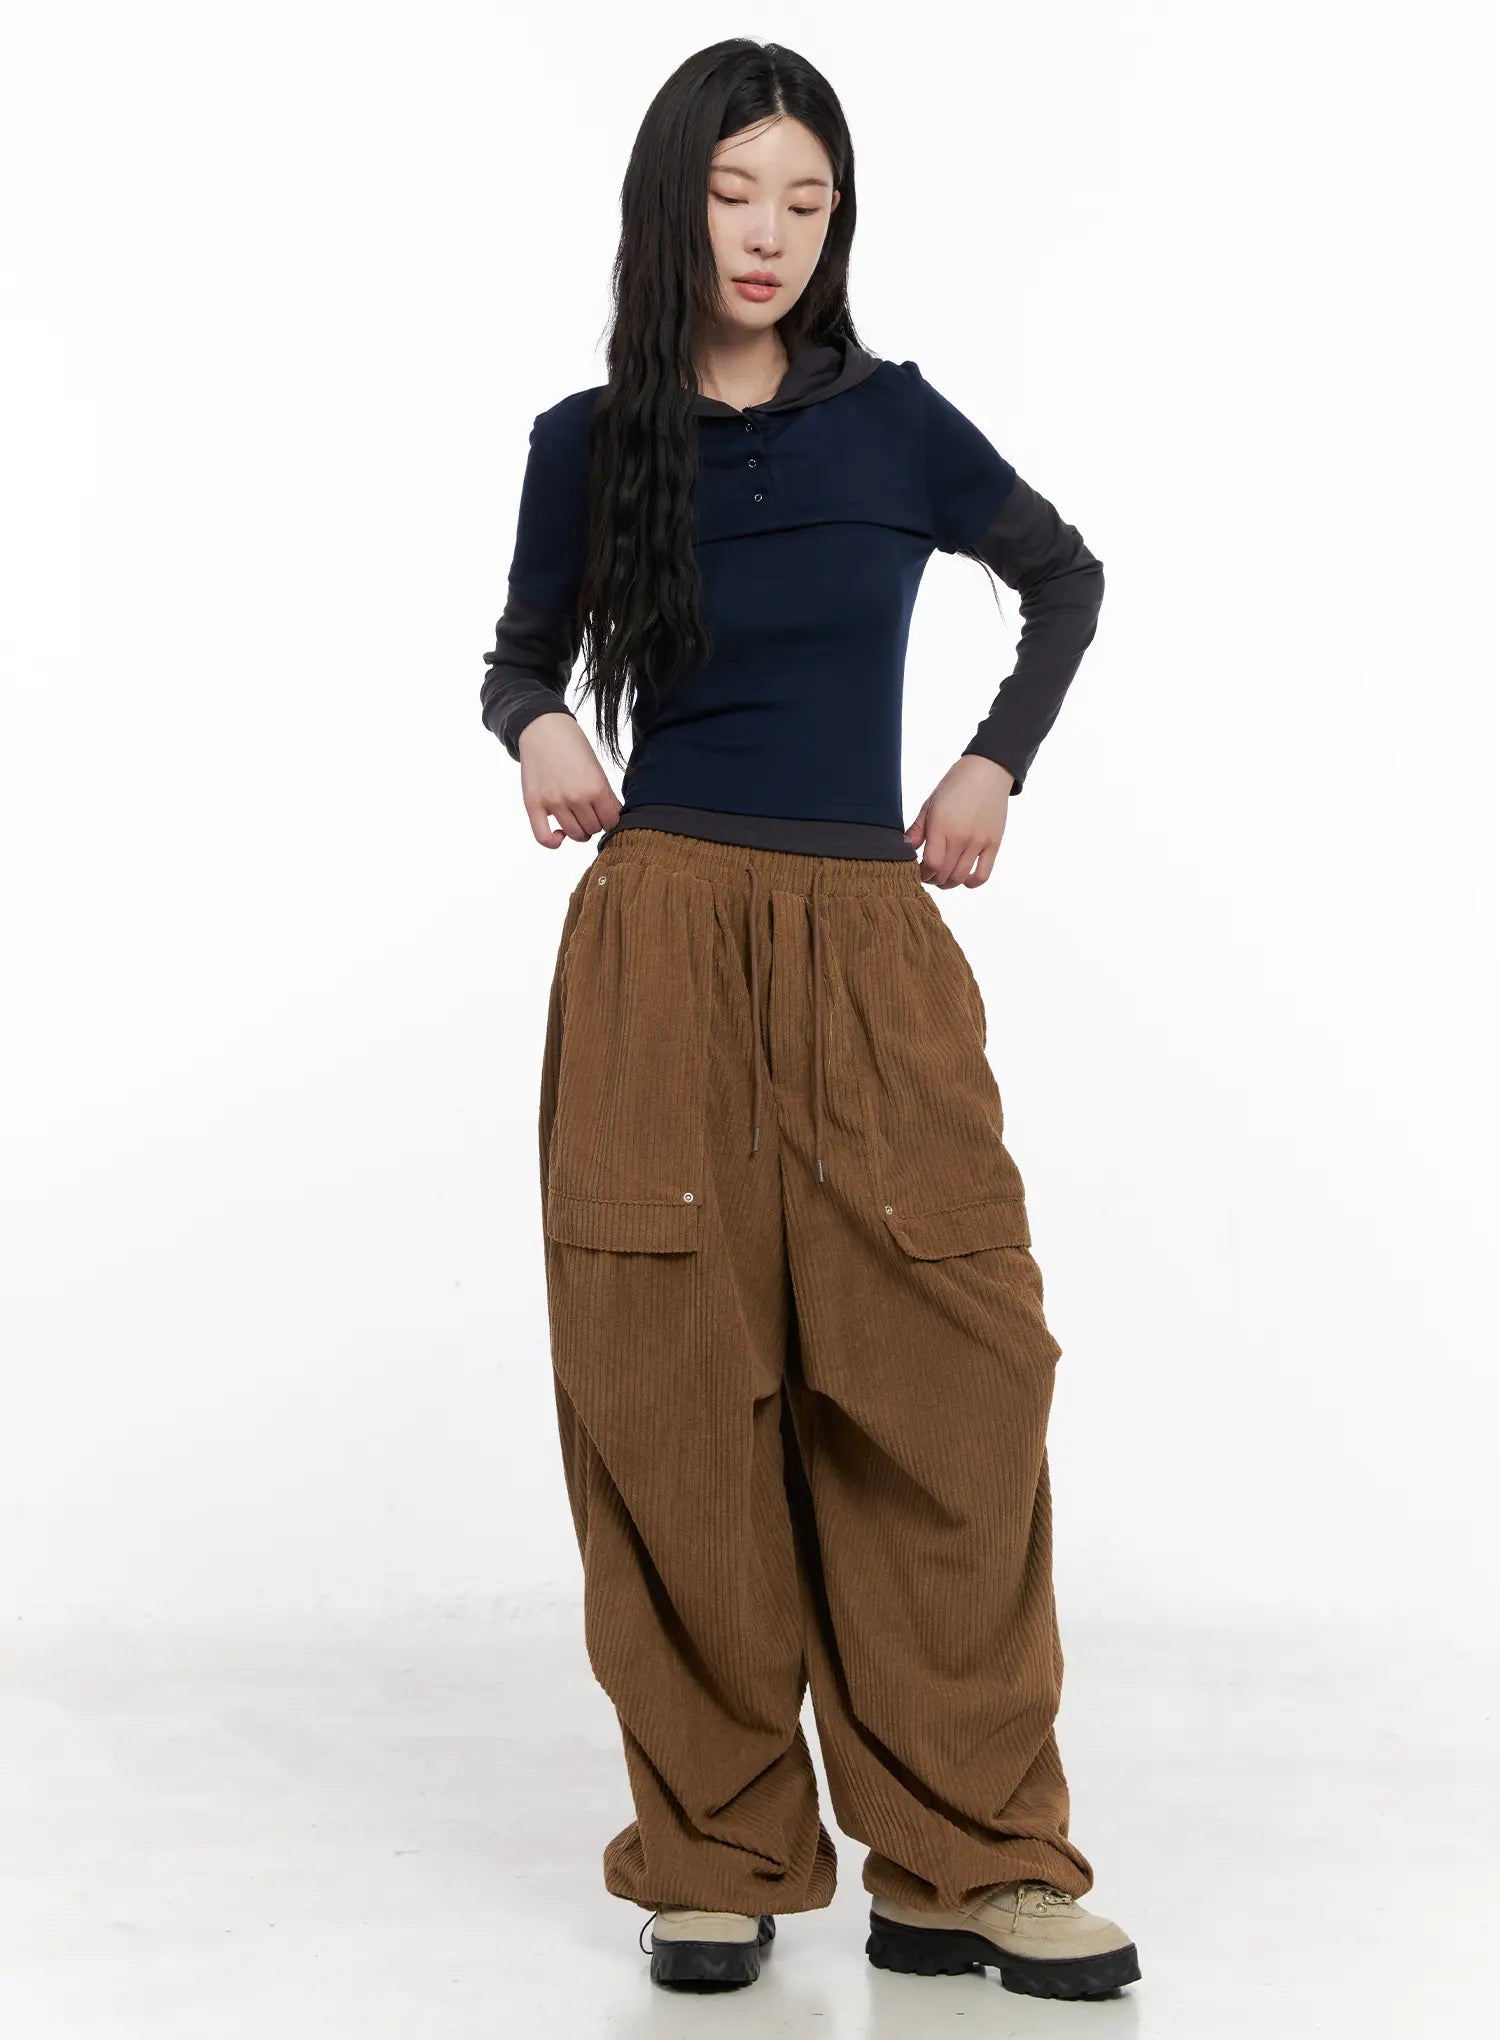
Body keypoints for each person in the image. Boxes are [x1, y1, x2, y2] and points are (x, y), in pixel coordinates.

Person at [479, 37, 1141, 2004]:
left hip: (869, 937)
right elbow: (518, 655)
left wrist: (993, 762)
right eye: (734, 192)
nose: (768, 235)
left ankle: (971, 1858)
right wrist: (540, 724)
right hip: (660, 936)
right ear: (671, 203)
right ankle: (712, 1854)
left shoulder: (897, 422)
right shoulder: (591, 442)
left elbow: (1065, 578)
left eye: (807, 199)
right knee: (671, 1390)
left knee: (954, 1376)